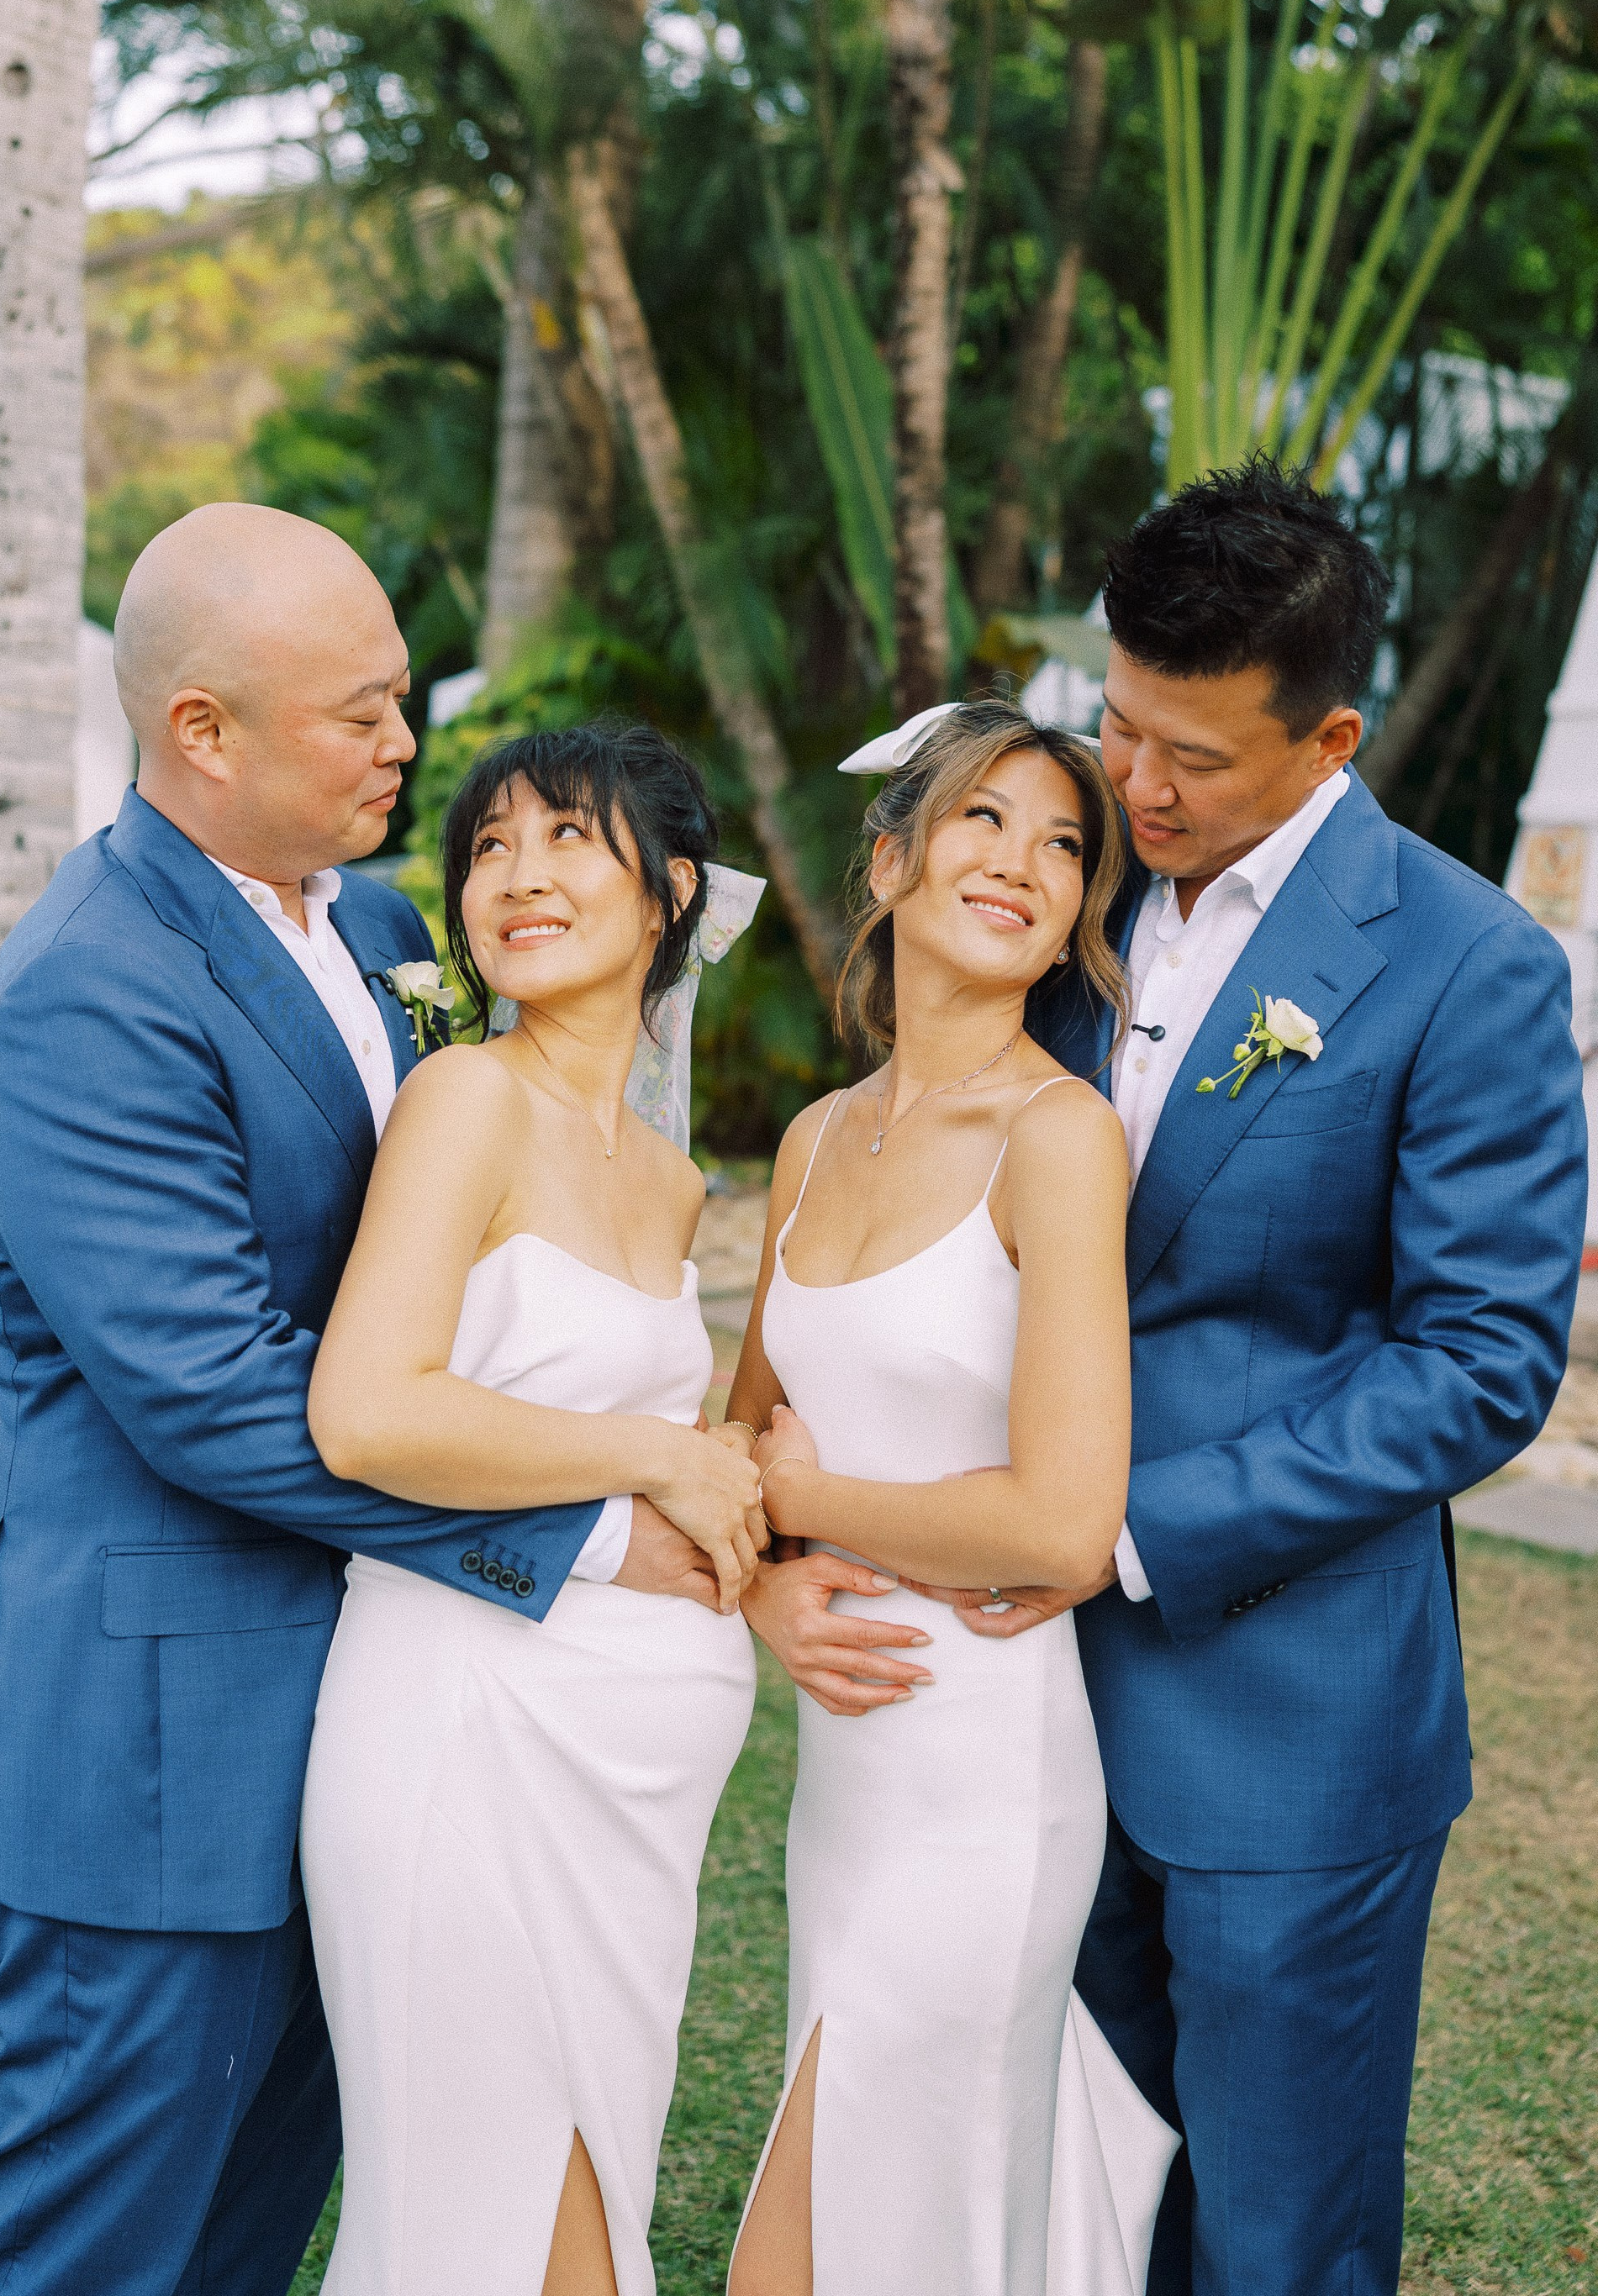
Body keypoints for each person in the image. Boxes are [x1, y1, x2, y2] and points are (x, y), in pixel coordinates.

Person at [0, 509, 741, 2296]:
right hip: (154, 1749)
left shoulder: (381, 927)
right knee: (80, 2249)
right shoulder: (88, 996)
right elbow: (213, 1397)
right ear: (203, 731)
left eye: (402, 700)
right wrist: (589, 1527)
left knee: (243, 2241)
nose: (408, 748)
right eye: (361, 714)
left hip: (377, 1734)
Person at [904, 459, 1590, 2294]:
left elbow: (1475, 1366)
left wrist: (1118, 1531)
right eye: (1117, 727)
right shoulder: (1053, 898)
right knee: (1053, 2201)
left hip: (1284, 1718)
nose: (1134, 788)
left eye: (1188, 759)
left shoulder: (1466, 968)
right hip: (1008, 1707)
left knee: (1271, 2238)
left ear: (1329, 736)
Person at [300, 720, 762, 2296]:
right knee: (478, 2228)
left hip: (632, 1793)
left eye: (569, 836)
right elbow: (368, 1414)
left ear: (672, 892)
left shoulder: (670, 1174)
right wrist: (655, 1459)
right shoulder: (464, 1104)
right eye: (489, 846)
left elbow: (676, 1446)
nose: (519, 874)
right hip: (462, 1740)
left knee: (588, 2208)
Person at [724, 700, 1179, 2296]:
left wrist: (820, 1494)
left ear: (1078, 918)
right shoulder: (809, 1142)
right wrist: (774, 1581)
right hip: (849, 1772)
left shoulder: (1063, 1141)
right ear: (891, 859)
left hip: (990, 1760)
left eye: (1066, 846)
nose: (1025, 863)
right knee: (876, 2206)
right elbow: (745, 1461)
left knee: (838, 2230)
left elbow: (1062, 1520)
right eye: (986, 819)